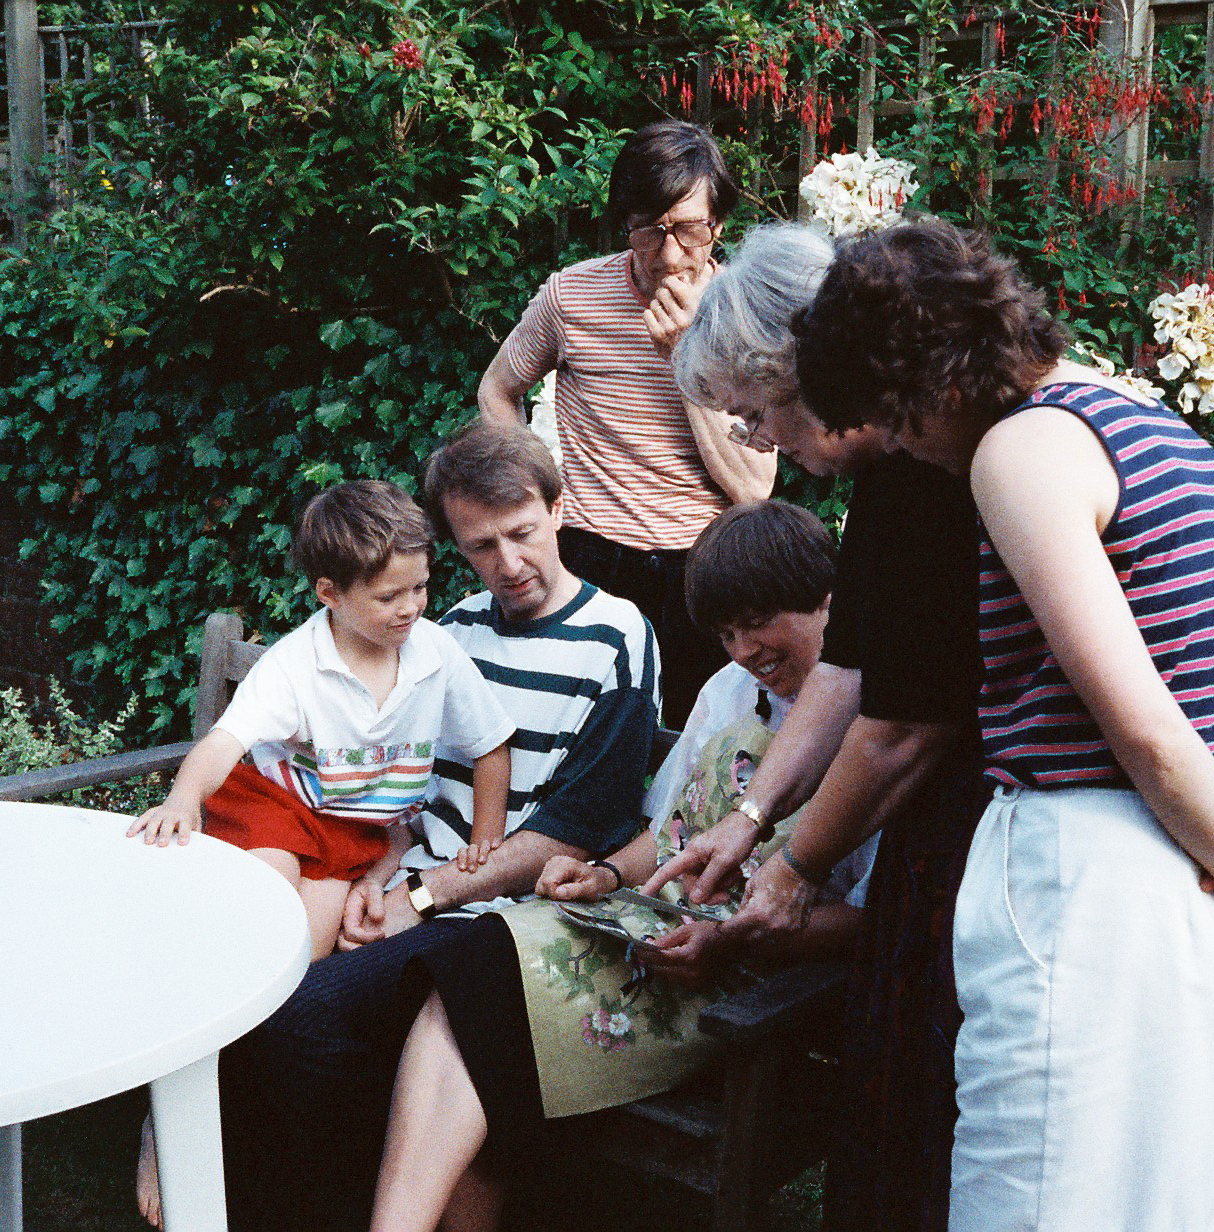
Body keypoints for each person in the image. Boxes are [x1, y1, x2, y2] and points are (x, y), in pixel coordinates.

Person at [781, 219, 1214, 1228]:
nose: (899, 450)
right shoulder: (1154, 431)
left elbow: (1147, 732)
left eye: (892, 422)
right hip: (1207, 882)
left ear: (928, 387)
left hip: (1087, 898)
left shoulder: (1020, 452)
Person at [367, 498, 878, 1232]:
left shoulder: (877, 728)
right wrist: (604, 876)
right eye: (726, 633)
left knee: (484, 1016)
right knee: (471, 965)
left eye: (760, 621)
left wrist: (735, 936)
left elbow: (870, 918)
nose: (743, 651)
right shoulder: (731, 692)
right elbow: (665, 833)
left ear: (830, 600)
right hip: (655, 935)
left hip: (753, 989)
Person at [214, 423, 660, 1231]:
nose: (508, 563)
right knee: (267, 996)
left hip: (502, 917)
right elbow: (400, 788)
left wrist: (417, 898)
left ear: (560, 511)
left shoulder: (618, 639)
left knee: (303, 1017)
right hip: (407, 881)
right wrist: (377, 876)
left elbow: (576, 828)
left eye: (522, 533)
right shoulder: (447, 629)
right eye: (481, 545)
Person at [660, 222, 985, 1230]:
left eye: (755, 416)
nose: (761, 446)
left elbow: (904, 727)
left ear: (801, 364)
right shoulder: (882, 484)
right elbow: (848, 666)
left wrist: (792, 870)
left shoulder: (940, 468)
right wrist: (749, 815)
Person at [125, 479, 514, 961]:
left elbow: (491, 743)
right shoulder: (297, 665)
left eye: (420, 587)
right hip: (279, 810)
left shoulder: (436, 653)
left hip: (355, 834)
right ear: (330, 593)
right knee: (264, 908)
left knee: (304, 951)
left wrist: (484, 843)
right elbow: (224, 741)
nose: (411, 607)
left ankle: (256, 1031)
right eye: (388, 597)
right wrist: (182, 800)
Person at [477, 119, 777, 725]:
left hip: (700, 568)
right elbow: (497, 389)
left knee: (687, 756)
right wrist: (538, 497)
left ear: (717, 224)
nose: (669, 254)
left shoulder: (744, 313)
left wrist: (686, 358)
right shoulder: (573, 296)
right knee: (571, 743)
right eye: (649, 230)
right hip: (589, 560)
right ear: (627, 224)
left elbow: (752, 489)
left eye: (689, 230)